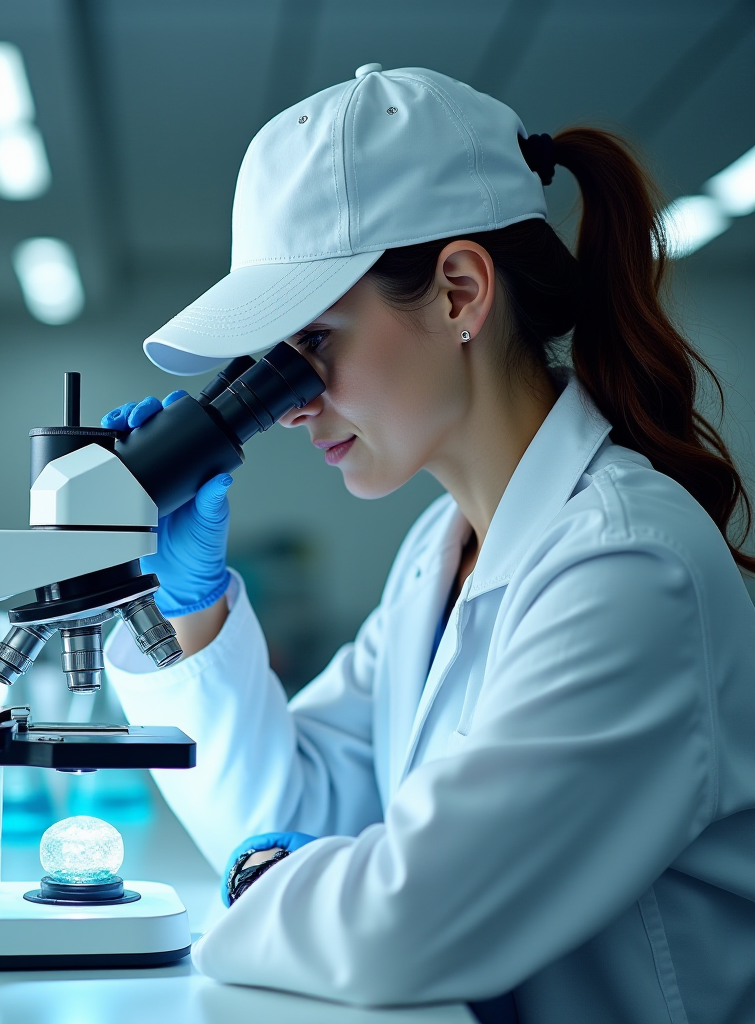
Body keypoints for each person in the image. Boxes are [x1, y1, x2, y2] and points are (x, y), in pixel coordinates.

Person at [101, 66, 755, 1024]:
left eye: (314, 343)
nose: (290, 407)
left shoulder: (627, 567)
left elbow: (393, 931)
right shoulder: (440, 551)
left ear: (458, 293)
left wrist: (259, 879)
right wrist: (191, 609)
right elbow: (298, 807)